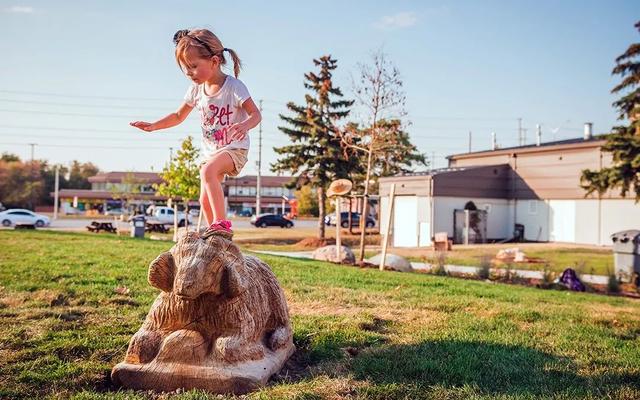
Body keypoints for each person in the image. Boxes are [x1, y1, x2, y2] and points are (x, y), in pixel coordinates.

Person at [130, 29, 261, 235]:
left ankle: (222, 225)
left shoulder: (234, 87)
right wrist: (154, 125)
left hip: (234, 149)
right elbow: (178, 115)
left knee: (207, 172)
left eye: (193, 66)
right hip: (210, 153)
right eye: (185, 69)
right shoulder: (195, 91)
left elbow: (256, 114)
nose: (189, 73)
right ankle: (216, 236)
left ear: (215, 61)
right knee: (204, 199)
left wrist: (244, 125)